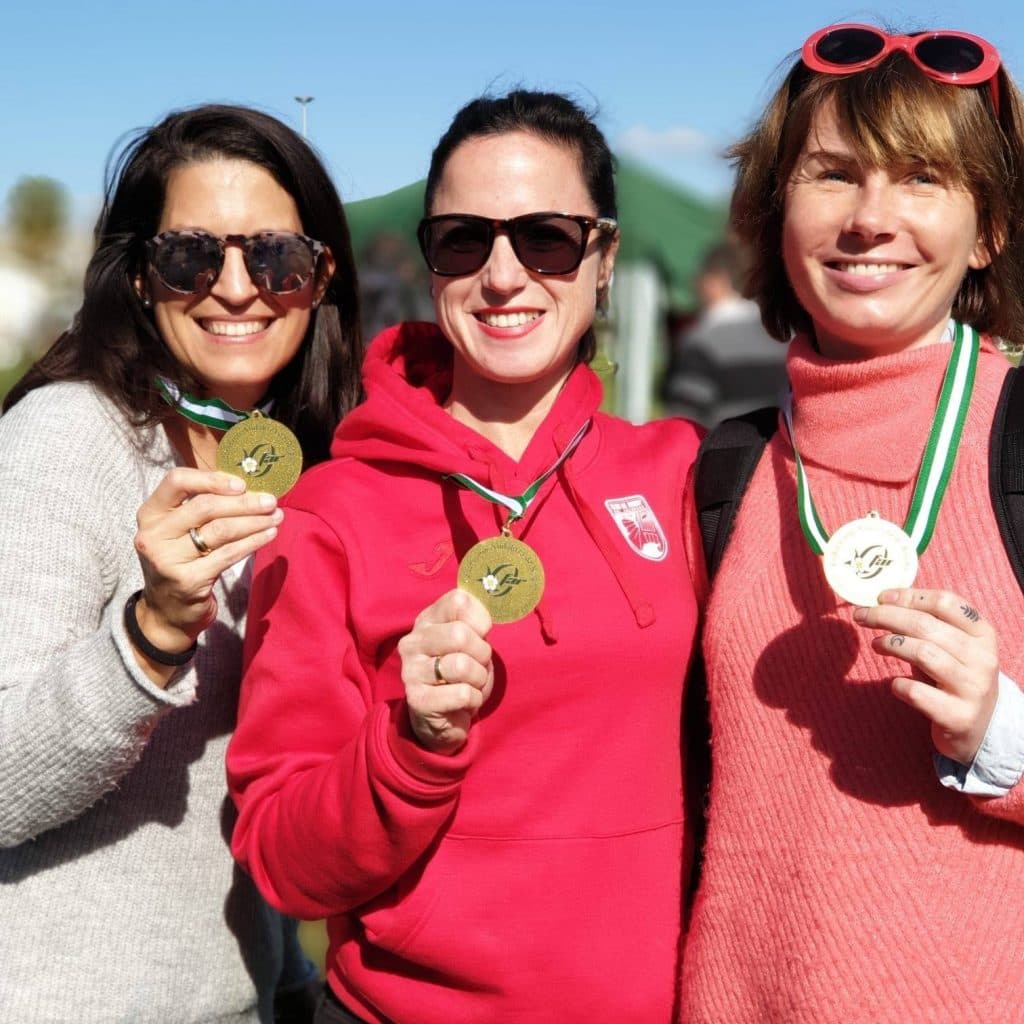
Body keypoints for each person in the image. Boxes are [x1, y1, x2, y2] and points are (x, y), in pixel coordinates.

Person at [227, 90, 703, 1024]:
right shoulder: (329, 513)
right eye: (463, 240)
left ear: (602, 260)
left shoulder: (684, 474)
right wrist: (410, 747)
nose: (502, 274)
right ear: (428, 259)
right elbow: (282, 859)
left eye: (546, 239)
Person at [681, 23, 1024, 1022]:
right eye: (831, 174)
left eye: (921, 177)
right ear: (774, 210)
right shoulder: (723, 467)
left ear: (989, 227)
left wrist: (998, 730)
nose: (870, 218)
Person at [0, 103, 362, 1022]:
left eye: (275, 256)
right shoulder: (70, 436)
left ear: (321, 280)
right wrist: (150, 634)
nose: (236, 288)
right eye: (192, 255)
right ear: (136, 278)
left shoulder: (300, 462)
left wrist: (284, 973)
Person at [661, 238, 788, 426]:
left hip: (723, 450)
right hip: (778, 450)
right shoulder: (780, 335)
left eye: (699, 277)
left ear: (716, 280)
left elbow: (683, 423)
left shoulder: (701, 341)